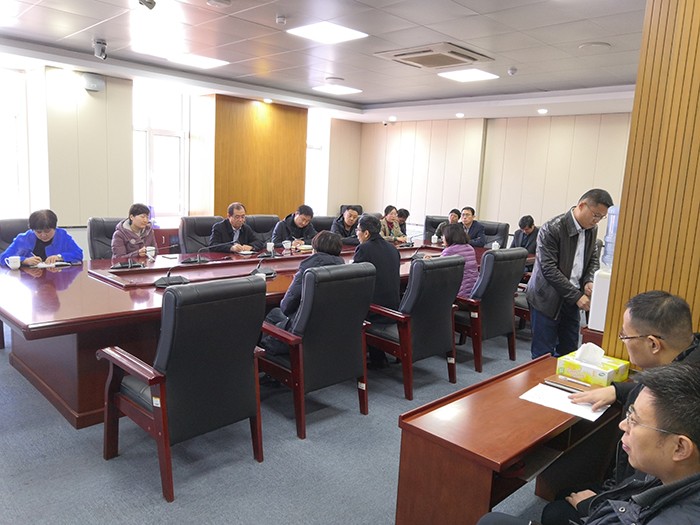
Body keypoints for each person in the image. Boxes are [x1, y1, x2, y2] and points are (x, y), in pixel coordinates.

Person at [539, 291, 700, 525]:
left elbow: (649, 485)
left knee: (555, 512)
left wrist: (595, 505)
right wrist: (617, 390)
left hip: (638, 494)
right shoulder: (685, 366)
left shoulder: (683, 391)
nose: (624, 424)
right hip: (632, 485)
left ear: (653, 344)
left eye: (625, 336)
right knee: (563, 493)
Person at [477, 363, 700, 525]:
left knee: (491, 522)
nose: (623, 425)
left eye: (634, 420)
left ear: (680, 448)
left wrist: (591, 507)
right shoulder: (674, 475)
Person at [526, 189, 613, 359]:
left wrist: (589, 280)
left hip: (572, 298)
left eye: (601, 217)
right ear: (582, 206)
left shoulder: (591, 229)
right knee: (543, 354)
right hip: (547, 298)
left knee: (569, 351)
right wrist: (576, 296)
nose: (596, 221)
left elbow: (592, 258)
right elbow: (548, 269)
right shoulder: (552, 228)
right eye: (595, 215)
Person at [260, 231, 344, 355]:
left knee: (272, 314)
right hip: (329, 334)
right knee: (276, 314)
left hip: (300, 338)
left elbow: (286, 306)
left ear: (314, 250)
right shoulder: (345, 270)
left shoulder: (308, 271)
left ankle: (266, 356)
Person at [353, 214, 401, 368]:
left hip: (375, 312)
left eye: (358, 230)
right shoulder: (392, 248)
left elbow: (356, 279)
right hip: (394, 307)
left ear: (366, 233)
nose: (357, 233)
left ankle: (362, 360)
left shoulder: (363, 249)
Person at [1, 209, 83, 266]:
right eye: (39, 232)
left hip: (56, 277)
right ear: (33, 230)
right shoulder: (24, 239)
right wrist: (24, 260)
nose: (43, 235)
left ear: (54, 227)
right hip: (31, 279)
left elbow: (78, 254)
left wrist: (59, 257)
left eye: (47, 231)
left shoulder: (62, 235)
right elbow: (3, 258)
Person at [440, 223, 478, 298]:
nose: (442, 238)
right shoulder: (470, 248)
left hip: (460, 294)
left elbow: (437, 271)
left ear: (449, 237)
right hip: (473, 290)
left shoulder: (449, 251)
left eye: (443, 236)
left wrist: (428, 261)